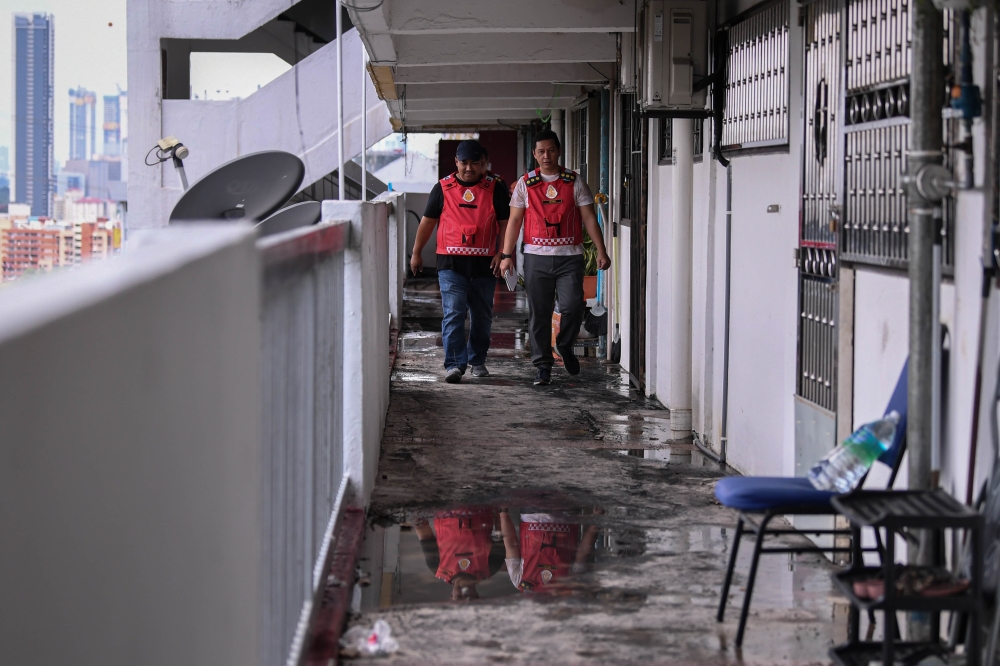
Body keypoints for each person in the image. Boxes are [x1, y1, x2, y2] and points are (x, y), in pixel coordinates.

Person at [499, 130, 610, 386]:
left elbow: (589, 218)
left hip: (570, 258)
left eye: (550, 150)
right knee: (540, 312)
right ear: (534, 154)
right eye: (540, 151)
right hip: (536, 258)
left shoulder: (575, 181)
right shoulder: (525, 184)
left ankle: (565, 345)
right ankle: (542, 365)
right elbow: (515, 221)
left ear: (558, 151)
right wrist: (506, 255)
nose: (546, 156)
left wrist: (601, 250)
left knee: (572, 306)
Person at [411, 140, 510, 383]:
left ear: (483, 164)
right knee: (454, 313)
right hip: (451, 264)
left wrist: (503, 253)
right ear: (456, 162)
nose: (468, 168)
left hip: (485, 264)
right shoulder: (442, 188)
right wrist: (416, 252)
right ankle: (455, 364)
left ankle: (477, 360)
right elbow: (427, 222)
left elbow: (506, 223)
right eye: (463, 163)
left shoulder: (495, 187)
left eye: (474, 163)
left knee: (481, 316)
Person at [414, 507, 505, 601]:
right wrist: (499, 509)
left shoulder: (437, 567)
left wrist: (417, 508)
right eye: (469, 597)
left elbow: (424, 534)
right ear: (476, 595)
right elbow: (500, 530)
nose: (464, 592)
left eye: (459, 597)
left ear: (451, 596)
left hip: (446, 504)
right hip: (480, 503)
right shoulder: (492, 566)